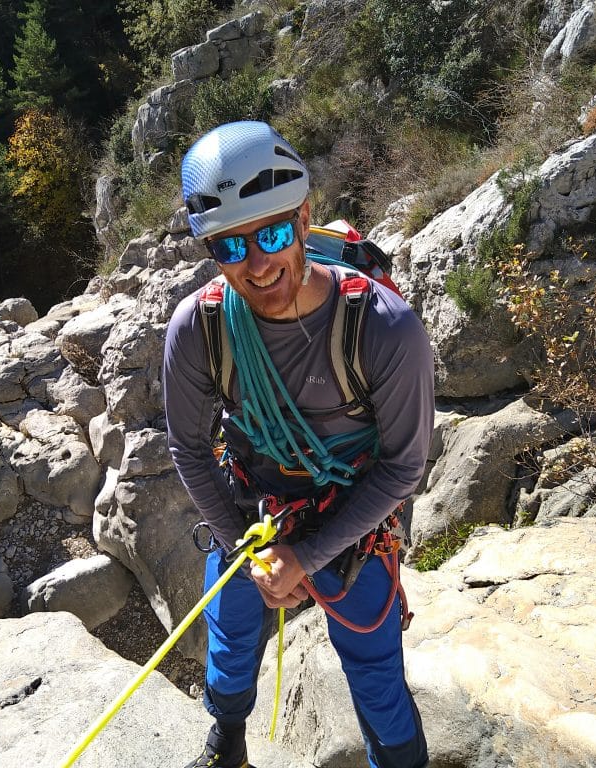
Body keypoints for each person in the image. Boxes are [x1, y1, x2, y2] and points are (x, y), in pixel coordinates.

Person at [163, 120, 435, 768]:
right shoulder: (198, 329)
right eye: (231, 247)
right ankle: (225, 745)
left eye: (275, 233)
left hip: (352, 511)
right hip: (254, 508)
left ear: (305, 217)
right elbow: (189, 451)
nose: (259, 263)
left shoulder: (383, 329)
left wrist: (307, 556)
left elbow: (403, 466)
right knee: (229, 638)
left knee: (375, 673)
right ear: (210, 251)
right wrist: (248, 550)